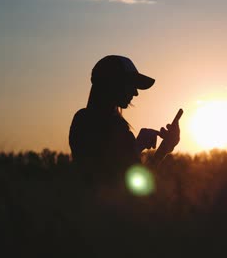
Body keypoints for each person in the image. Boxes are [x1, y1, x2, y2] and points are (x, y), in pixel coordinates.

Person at [68, 55, 180, 183]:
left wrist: (160, 147)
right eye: (131, 84)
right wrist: (139, 147)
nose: (136, 92)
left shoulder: (85, 120)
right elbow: (127, 189)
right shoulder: (95, 123)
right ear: (113, 83)